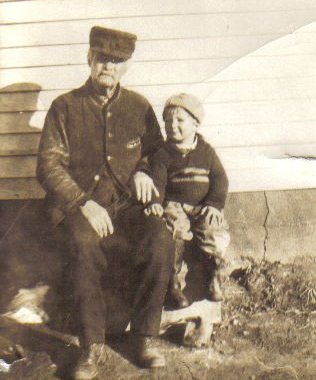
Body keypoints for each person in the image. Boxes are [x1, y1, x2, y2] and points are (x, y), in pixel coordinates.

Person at [36, 26, 175, 379]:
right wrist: (83, 202)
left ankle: (145, 337)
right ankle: (90, 347)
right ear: (89, 59)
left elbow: (158, 153)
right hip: (81, 208)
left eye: (116, 62)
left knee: (159, 237)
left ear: (126, 66)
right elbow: (48, 166)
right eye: (102, 60)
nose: (108, 67)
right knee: (83, 244)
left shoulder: (139, 106)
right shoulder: (65, 107)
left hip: (127, 206)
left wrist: (145, 172)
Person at [144, 93, 230, 309]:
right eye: (168, 121)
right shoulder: (164, 154)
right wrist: (155, 201)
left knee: (215, 232)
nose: (173, 125)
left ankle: (215, 278)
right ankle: (175, 286)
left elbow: (220, 178)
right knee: (175, 230)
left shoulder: (206, 152)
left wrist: (214, 204)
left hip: (203, 206)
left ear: (195, 124)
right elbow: (158, 182)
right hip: (175, 204)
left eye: (180, 120)